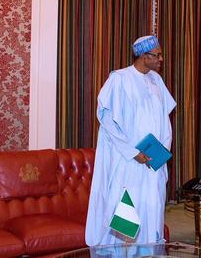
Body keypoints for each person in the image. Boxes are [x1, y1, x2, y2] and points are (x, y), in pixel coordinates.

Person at [85, 35, 176, 246]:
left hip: (153, 159)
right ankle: (121, 251)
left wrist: (161, 150)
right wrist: (133, 152)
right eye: (157, 55)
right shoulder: (119, 79)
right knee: (127, 207)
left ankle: (148, 250)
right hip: (129, 160)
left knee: (152, 206)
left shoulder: (156, 80)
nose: (161, 59)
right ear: (144, 56)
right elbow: (107, 120)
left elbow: (165, 119)